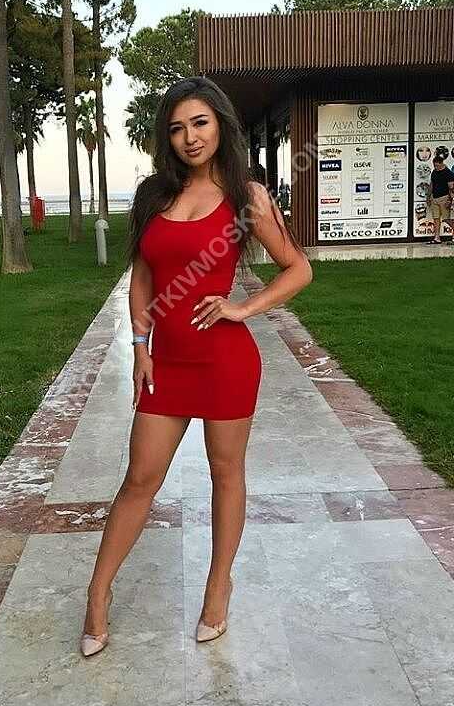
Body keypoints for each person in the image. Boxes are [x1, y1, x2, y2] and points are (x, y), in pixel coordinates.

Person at [80, 76, 313, 656]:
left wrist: (243, 308)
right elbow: (142, 276)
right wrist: (140, 346)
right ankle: (98, 593)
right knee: (140, 479)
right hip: (169, 363)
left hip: (226, 362)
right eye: (177, 128)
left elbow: (298, 268)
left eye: (200, 123)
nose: (190, 137)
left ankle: (218, 585)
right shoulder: (153, 196)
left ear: (220, 125)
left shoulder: (246, 198)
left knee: (225, 473)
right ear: (167, 137)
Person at [426, 154, 454, 244]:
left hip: (444, 198)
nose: (436, 167)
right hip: (434, 198)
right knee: (436, 218)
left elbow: (451, 188)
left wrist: (450, 200)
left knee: (446, 218)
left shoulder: (449, 173)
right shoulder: (434, 172)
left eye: (437, 166)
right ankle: (437, 238)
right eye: (434, 165)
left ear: (442, 163)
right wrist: (428, 196)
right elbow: (432, 184)